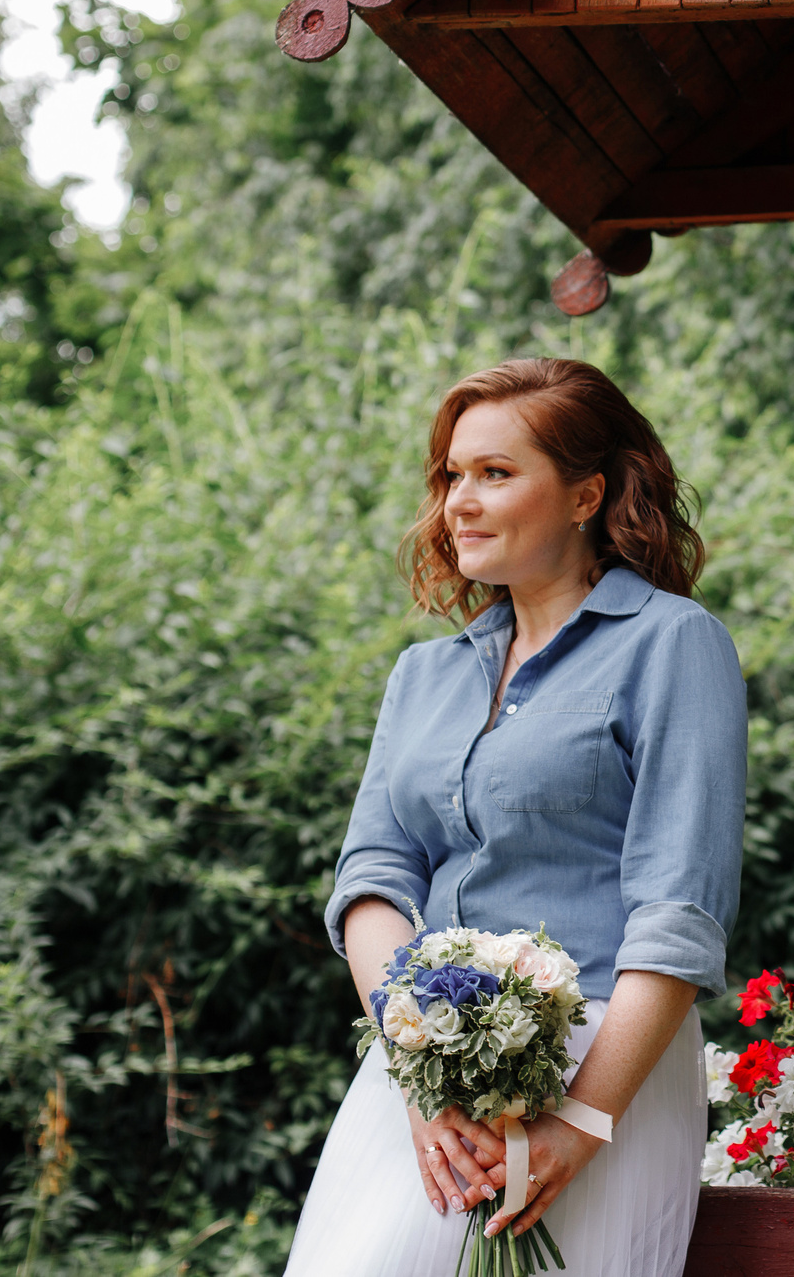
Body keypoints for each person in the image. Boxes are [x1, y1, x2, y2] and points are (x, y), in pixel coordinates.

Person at [284, 359, 747, 1277]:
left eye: (496, 473)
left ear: (587, 495)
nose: (459, 500)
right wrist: (415, 1066)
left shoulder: (673, 644)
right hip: (421, 1083)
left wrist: (577, 1120)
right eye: (452, 475)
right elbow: (373, 878)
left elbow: (678, 916)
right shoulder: (422, 675)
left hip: (600, 1070)